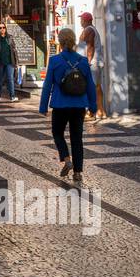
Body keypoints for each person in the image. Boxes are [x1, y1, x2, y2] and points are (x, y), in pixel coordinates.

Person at [39, 26, 97, 187]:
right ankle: (78, 173)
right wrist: (93, 106)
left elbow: (47, 85)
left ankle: (66, 159)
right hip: (79, 105)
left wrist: (43, 106)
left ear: (60, 41)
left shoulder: (55, 60)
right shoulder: (83, 61)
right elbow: (90, 86)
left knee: (57, 132)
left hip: (60, 104)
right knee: (77, 137)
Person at [78, 11, 106, 120]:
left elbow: (90, 46)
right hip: (96, 62)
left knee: (91, 87)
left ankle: (91, 112)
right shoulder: (91, 30)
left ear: (87, 20)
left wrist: (88, 62)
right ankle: (100, 111)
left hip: (92, 63)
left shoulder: (89, 30)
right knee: (97, 87)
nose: (81, 21)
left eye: (82, 19)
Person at [0, 20, 19, 101]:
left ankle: (12, 96)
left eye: (3, 27)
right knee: (0, 80)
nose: (2, 29)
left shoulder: (9, 37)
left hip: (10, 61)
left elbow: (14, 50)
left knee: (10, 79)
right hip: (0, 62)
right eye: (0, 28)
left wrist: (16, 62)